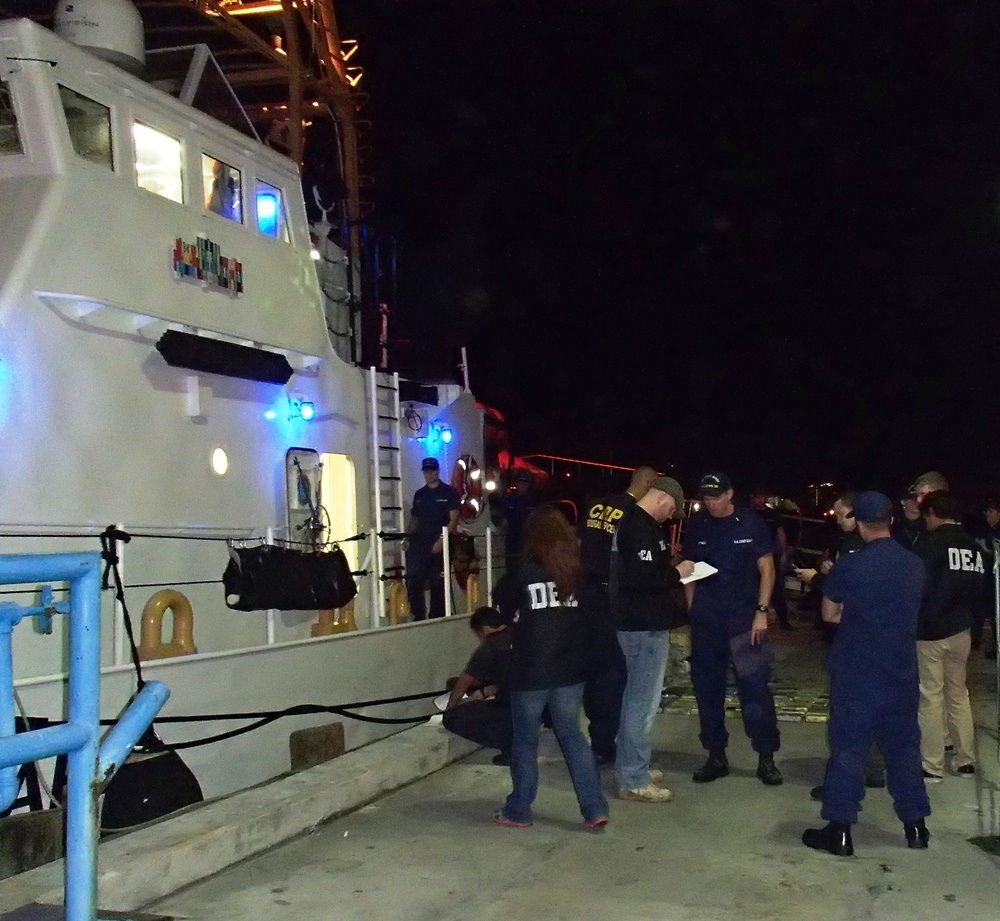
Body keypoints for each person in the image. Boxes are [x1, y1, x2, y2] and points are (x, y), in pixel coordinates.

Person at [803, 491, 930, 856]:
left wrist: (855, 615)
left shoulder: (851, 565)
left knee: (849, 749)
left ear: (859, 523)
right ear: (890, 521)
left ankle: (840, 829)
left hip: (857, 671)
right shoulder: (914, 565)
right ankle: (916, 825)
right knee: (904, 749)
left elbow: (829, 614)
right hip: (901, 672)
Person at [493, 506, 609, 829]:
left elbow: (502, 605)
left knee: (525, 741)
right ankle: (594, 808)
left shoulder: (524, 572)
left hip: (530, 671)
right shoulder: (577, 573)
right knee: (573, 736)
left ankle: (519, 808)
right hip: (570, 671)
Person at [683, 472, 783, 786]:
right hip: (707, 624)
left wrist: (762, 612)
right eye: (706, 497)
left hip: (744, 623)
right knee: (707, 691)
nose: (710, 503)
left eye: (716, 496)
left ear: (730, 494)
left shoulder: (750, 523)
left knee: (755, 692)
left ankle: (766, 757)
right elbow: (689, 573)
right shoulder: (697, 526)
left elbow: (767, 568)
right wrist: (692, 612)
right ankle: (716, 755)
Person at [610, 476, 693, 802]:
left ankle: (632, 766)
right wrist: (678, 572)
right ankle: (633, 777)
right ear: (661, 498)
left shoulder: (633, 523)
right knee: (642, 704)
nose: (670, 516)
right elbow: (645, 578)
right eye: (671, 509)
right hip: (642, 627)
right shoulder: (640, 527)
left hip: (637, 624)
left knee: (636, 699)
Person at [578, 465, 658, 765]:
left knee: (595, 672)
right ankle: (614, 742)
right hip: (614, 600)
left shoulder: (597, 506)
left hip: (587, 596)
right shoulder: (634, 515)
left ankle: (598, 739)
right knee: (617, 674)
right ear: (648, 484)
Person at [913, 491, 983, 781]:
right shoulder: (973, 547)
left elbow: (919, 585)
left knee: (930, 695)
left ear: (931, 512)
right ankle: (965, 760)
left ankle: (932, 764)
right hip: (963, 629)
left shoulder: (931, 543)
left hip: (932, 630)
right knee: (958, 693)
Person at [442, 606, 513, 765]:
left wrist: (451, 706)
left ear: (484, 629)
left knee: (452, 718)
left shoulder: (491, 645)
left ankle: (510, 746)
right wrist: (486, 690)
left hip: (509, 709)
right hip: (537, 705)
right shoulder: (521, 634)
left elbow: (464, 681)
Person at [405, 457, 460, 620]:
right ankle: (418, 615)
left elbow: (453, 519)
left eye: (432, 470)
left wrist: (442, 541)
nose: (429, 474)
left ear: (438, 470)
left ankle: (437, 616)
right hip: (420, 545)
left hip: (439, 545)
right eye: (426, 471)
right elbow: (415, 519)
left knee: (438, 582)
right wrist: (408, 538)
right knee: (414, 579)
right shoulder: (419, 495)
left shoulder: (449, 493)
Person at [751, 491, 793, 630]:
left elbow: (781, 533)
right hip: (751, 555)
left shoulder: (773, 515)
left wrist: (783, 552)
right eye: (757, 496)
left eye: (762, 496)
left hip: (770, 554)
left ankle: (784, 620)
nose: (760, 499)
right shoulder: (748, 514)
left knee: (776, 588)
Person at [501, 468, 540, 570]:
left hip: (529, 539)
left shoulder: (534, 500)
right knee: (512, 567)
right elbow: (504, 521)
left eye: (525, 483)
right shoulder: (509, 500)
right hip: (513, 540)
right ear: (516, 483)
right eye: (520, 482)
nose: (522, 485)